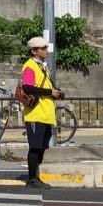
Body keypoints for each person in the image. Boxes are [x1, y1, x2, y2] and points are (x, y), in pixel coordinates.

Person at [20, 36, 62, 189]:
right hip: (35, 114)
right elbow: (28, 88)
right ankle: (32, 179)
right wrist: (49, 92)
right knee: (35, 147)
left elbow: (44, 87)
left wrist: (55, 92)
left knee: (42, 147)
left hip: (45, 114)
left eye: (46, 48)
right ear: (34, 51)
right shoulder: (30, 66)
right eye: (43, 48)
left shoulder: (42, 66)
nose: (46, 50)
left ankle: (36, 175)